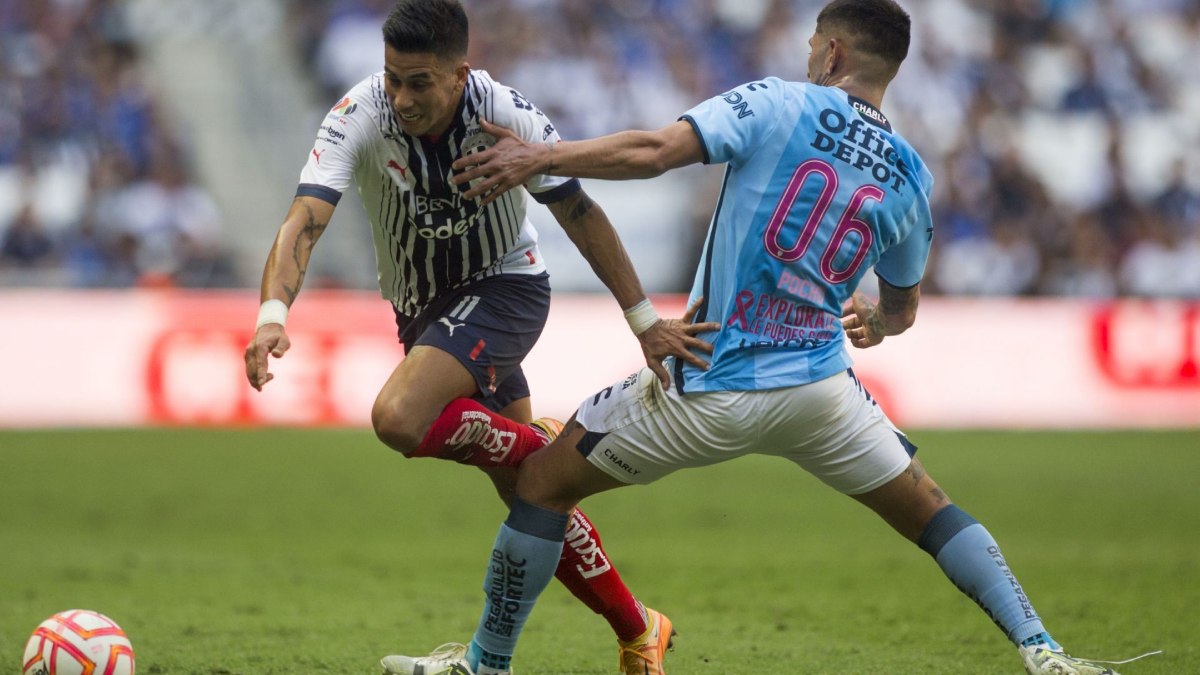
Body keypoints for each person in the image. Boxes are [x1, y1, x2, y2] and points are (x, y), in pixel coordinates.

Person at [381, 1, 1145, 674]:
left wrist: (539, 156)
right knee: (932, 509)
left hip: (710, 376)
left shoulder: (779, 103)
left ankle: (486, 664)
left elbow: (655, 153)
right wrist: (875, 320)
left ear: (833, 53)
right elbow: (902, 309)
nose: (809, 56)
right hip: (820, 392)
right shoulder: (912, 173)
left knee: (542, 483)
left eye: (815, 44)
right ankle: (1044, 650)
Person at [241, 1, 713, 672]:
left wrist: (644, 321)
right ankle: (638, 629)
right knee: (532, 494)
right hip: (424, 312)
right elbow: (305, 219)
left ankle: (544, 453)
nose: (401, 97)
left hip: (505, 289)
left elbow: (579, 211)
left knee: (399, 417)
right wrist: (272, 314)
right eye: (392, 78)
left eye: (419, 82)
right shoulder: (357, 114)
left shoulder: (509, 115)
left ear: (460, 74)